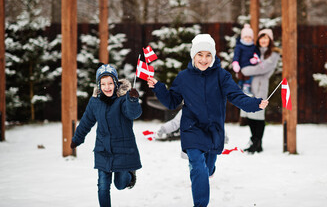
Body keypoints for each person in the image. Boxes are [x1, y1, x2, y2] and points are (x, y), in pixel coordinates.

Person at [147, 34, 268, 207]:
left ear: (213, 56)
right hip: (191, 127)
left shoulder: (222, 76)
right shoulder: (183, 77)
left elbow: (236, 96)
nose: (204, 59)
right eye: (200, 55)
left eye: (208, 55)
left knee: (208, 167)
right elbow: (172, 101)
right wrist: (159, 88)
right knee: (197, 164)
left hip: (213, 129)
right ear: (193, 55)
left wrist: (254, 103)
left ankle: (208, 170)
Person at [70, 63, 142, 207]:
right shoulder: (95, 101)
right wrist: (77, 138)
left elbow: (133, 113)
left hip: (123, 150)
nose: (107, 87)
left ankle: (129, 175)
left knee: (120, 184)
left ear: (115, 83)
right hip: (103, 150)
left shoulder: (123, 99)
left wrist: (133, 100)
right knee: (103, 186)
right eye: (103, 84)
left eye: (110, 83)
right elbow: (86, 122)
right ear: (99, 85)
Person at [241, 29, 281, 154]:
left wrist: (245, 70)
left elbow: (261, 68)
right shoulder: (254, 51)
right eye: (261, 38)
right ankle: (253, 141)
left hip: (260, 86)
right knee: (250, 116)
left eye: (266, 38)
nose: (263, 40)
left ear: (270, 40)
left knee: (258, 115)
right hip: (248, 86)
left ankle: (258, 143)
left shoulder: (273, 54)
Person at [232, 23, 259, 96]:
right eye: (246, 37)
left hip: (250, 66)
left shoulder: (253, 46)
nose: (247, 39)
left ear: (252, 38)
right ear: (242, 37)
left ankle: (246, 88)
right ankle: (239, 88)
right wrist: (235, 63)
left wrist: (255, 58)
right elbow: (236, 55)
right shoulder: (239, 47)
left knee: (249, 78)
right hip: (241, 66)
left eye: (249, 37)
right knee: (241, 78)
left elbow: (257, 54)